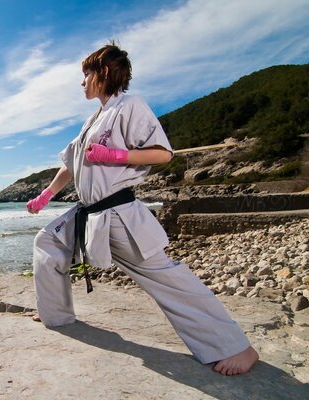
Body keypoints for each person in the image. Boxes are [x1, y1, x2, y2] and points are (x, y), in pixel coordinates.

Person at [26, 42, 259, 376]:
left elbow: (163, 153)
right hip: (89, 214)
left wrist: (117, 156)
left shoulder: (130, 106)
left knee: (165, 277)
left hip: (119, 214)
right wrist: (46, 195)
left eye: (86, 74)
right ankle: (55, 313)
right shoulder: (94, 118)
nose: (82, 82)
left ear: (103, 73)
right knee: (47, 242)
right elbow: (71, 164)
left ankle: (238, 348)